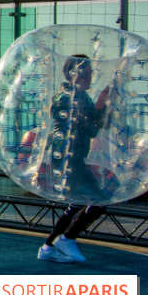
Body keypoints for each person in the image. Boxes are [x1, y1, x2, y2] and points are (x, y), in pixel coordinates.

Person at [38, 55, 110, 264]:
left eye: (90, 74)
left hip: (69, 157)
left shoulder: (72, 95)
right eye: (86, 74)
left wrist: (100, 106)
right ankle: (67, 238)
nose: (90, 78)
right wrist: (100, 104)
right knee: (99, 201)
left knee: (77, 204)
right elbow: (90, 129)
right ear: (74, 74)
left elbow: (89, 127)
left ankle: (48, 247)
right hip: (68, 159)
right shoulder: (71, 97)